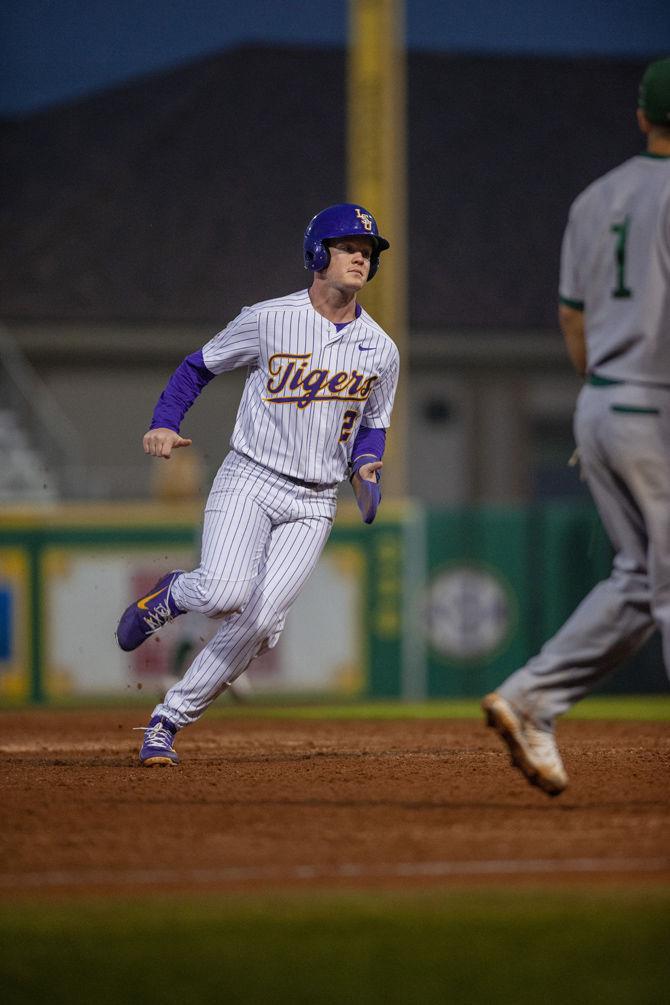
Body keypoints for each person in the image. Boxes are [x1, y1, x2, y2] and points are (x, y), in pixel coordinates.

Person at [116, 203, 399, 766]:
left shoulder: (382, 349)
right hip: (251, 476)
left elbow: (374, 424)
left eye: (366, 253)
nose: (360, 260)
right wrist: (165, 423)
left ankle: (166, 721)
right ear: (318, 254)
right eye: (348, 248)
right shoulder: (269, 318)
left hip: (316, 500)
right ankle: (173, 594)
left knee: (262, 619)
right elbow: (198, 366)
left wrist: (367, 464)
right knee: (223, 591)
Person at [482, 57, 670, 796]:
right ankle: (534, 696)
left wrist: (602, 401)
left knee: (640, 578)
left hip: (603, 400)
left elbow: (571, 314)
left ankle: (533, 697)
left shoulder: (596, 197)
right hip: (658, 401)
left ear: (640, 117)